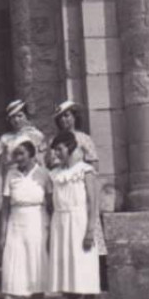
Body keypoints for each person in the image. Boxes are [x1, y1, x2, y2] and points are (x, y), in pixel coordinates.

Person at [46, 130, 103, 299]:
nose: (57, 153)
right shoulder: (54, 174)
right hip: (60, 222)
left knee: (85, 267)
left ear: (70, 147)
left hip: (80, 221)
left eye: (60, 149)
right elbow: (50, 203)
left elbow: (93, 201)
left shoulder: (85, 170)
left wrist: (90, 230)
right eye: (55, 150)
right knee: (66, 269)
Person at [0, 139, 51, 299]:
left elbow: (51, 204)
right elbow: (4, 208)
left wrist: (50, 229)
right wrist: (2, 232)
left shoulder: (44, 174)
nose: (17, 158)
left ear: (31, 155)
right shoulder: (11, 174)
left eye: (21, 154)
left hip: (37, 223)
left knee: (36, 268)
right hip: (15, 223)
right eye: (15, 154)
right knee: (13, 267)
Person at [53, 99, 107, 278]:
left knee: (88, 236)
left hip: (82, 190)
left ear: (74, 116)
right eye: (60, 118)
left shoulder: (83, 139)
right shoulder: (55, 141)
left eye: (67, 116)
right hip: (65, 192)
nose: (64, 121)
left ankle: (93, 276)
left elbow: (94, 166)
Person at [0, 99, 47, 184]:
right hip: (12, 180)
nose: (16, 120)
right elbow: (0, 170)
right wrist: (0, 193)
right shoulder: (5, 139)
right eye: (13, 117)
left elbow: (42, 162)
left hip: (33, 179)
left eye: (20, 116)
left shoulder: (36, 135)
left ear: (26, 116)